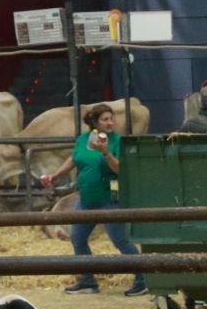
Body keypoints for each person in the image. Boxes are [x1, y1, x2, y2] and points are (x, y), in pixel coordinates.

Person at [43, 103, 146, 297]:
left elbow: (120, 169)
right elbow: (74, 159)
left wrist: (106, 152)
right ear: (95, 123)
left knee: (120, 240)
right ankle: (87, 280)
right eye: (105, 119)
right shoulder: (83, 139)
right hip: (87, 197)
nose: (110, 122)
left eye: (111, 118)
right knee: (78, 237)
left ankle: (143, 278)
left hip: (110, 196)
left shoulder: (117, 141)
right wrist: (55, 175)